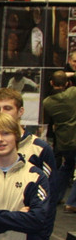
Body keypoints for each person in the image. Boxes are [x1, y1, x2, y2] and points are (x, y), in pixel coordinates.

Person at [41, 70, 76, 208]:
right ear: (67, 83)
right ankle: (72, 203)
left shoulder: (47, 102)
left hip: (63, 140)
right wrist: (72, 74)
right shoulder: (72, 92)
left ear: (51, 83)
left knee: (66, 166)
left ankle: (55, 197)